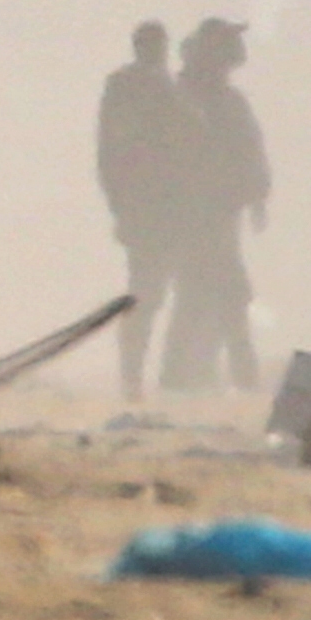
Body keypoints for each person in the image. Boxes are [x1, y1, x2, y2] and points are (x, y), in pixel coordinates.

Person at [160, 15, 272, 401]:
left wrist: (256, 196)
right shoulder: (183, 100)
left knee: (212, 296)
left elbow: (250, 149)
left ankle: (194, 377)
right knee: (217, 295)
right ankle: (214, 379)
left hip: (221, 213)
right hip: (194, 215)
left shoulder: (224, 99)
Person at [95, 20, 186, 401]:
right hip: (151, 209)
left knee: (160, 295)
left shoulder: (161, 86)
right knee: (147, 295)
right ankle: (135, 378)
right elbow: (113, 152)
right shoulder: (137, 87)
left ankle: (156, 378)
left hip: (165, 207)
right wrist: (123, 204)